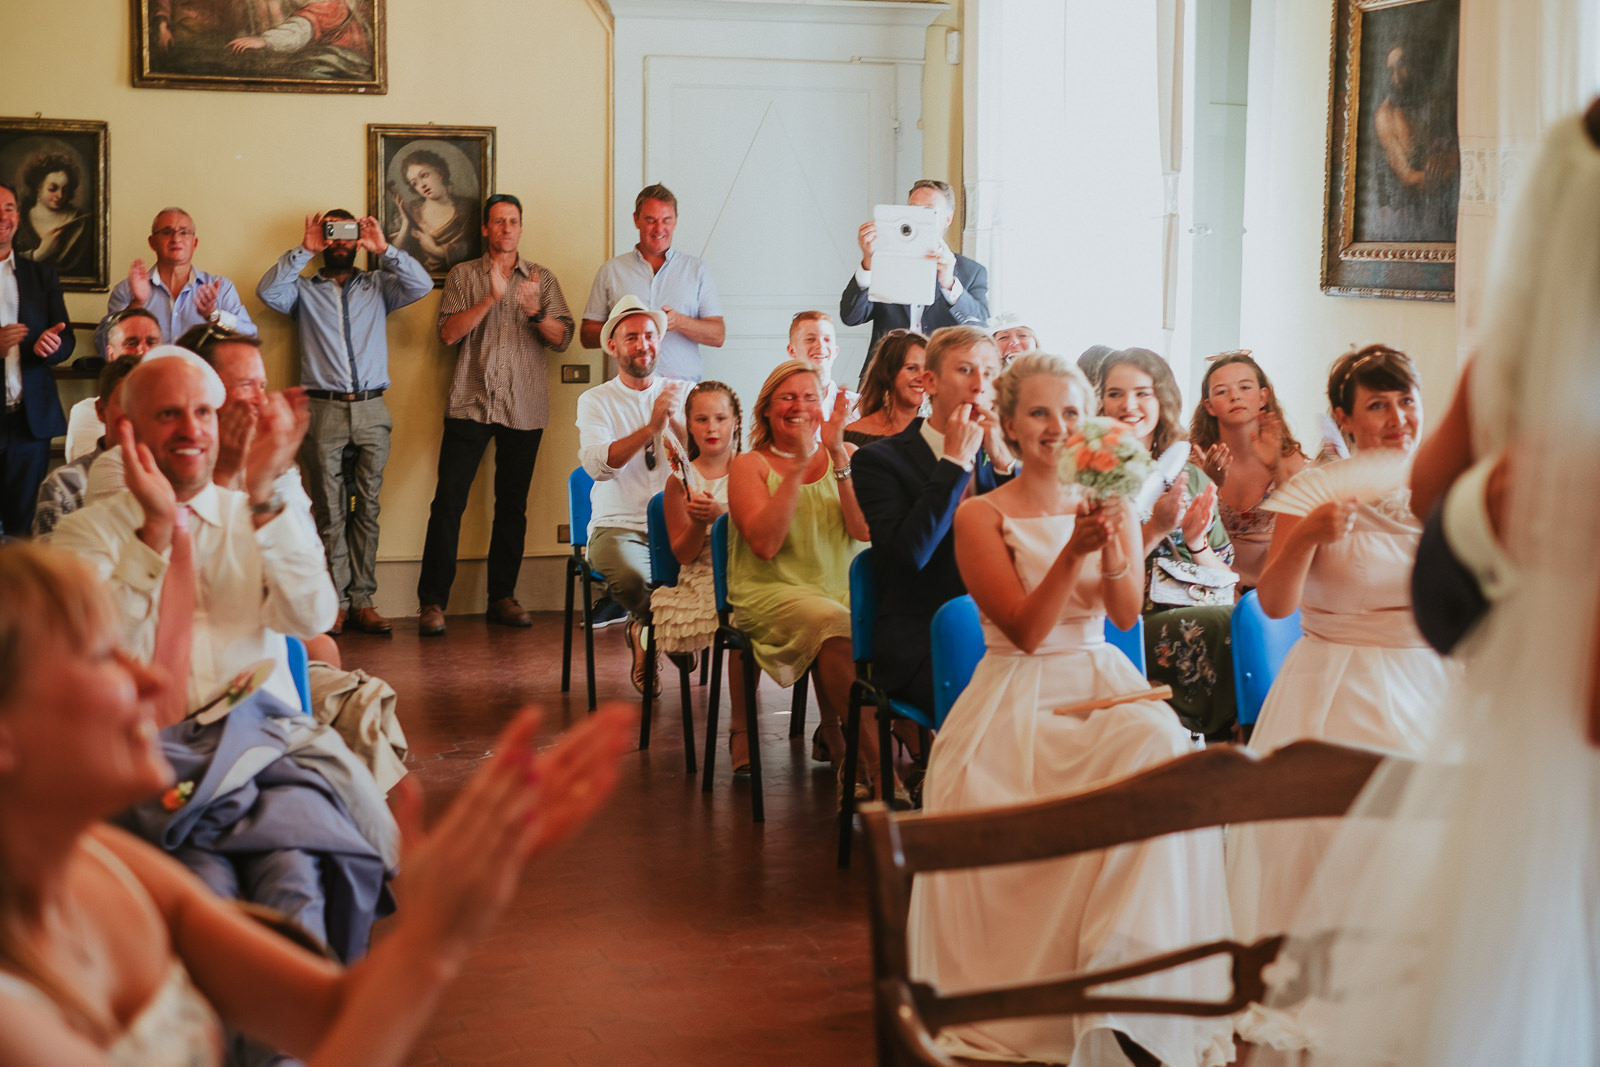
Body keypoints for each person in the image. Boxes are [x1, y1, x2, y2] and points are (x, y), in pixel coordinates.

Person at [0, 538, 634, 1067]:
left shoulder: (108, 864)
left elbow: (330, 1016)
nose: (151, 678)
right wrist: (430, 945)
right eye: (99, 657)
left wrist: (437, 923)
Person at [906, 352, 1234, 1067]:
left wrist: (1125, 536)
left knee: (1162, 751)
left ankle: (1124, 979)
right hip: (1018, 693)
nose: (1058, 427)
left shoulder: (1106, 490)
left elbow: (1119, 609)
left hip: (1098, 675)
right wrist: (1071, 550)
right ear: (1012, 425)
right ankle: (1039, 999)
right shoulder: (979, 515)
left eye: (1071, 413)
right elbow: (1023, 631)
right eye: (1041, 413)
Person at [1227, 345, 1455, 1042]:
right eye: (1379, 406)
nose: (1398, 419)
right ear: (1344, 420)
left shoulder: (1445, 485)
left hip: (1430, 675)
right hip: (1340, 680)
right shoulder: (1315, 491)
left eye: (1407, 400)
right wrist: (1306, 540)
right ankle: (1335, 980)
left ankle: (1426, 983)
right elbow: (1272, 601)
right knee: (1365, 823)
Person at [52, 352, 332, 713]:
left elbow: (312, 618)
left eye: (203, 413)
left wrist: (262, 494)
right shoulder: (87, 531)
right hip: (140, 747)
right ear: (128, 428)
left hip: (262, 743)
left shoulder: (255, 518)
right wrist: (154, 533)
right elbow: (85, 655)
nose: (191, 429)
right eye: (169, 413)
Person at [257, 208, 432, 636]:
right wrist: (304, 248)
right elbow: (267, 292)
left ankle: (364, 601)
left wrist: (385, 249)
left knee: (368, 508)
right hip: (323, 409)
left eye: (347, 234)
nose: (340, 242)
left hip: (373, 408)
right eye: (332, 234)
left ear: (358, 239)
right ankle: (331, 601)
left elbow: (422, 284)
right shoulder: (301, 291)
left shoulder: (378, 286)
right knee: (329, 511)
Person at [726, 359, 890, 798]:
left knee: (901, 621)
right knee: (833, 623)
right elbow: (764, 544)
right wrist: (798, 466)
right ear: (766, 409)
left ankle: (910, 754)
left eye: (810, 398)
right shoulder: (749, 465)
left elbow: (862, 531)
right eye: (788, 397)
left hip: (841, 585)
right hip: (774, 590)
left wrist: (836, 453)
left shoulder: (847, 456)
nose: (799, 406)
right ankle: (876, 771)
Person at [417, 194, 574, 636]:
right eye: (498, 222)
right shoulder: (464, 276)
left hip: (524, 408)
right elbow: (447, 335)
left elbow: (563, 338)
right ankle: (431, 603)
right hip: (470, 403)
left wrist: (535, 312)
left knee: (512, 508)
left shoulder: (541, 279)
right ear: (485, 229)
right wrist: (490, 299)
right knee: (448, 504)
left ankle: (501, 597)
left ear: (521, 228)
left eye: (513, 221)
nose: (506, 228)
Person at [853, 324, 1010, 720]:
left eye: (989, 373)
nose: (979, 386)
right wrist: (954, 464)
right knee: (999, 706)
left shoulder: (1005, 462)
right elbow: (909, 557)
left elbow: (1032, 548)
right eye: (965, 370)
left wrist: (1006, 466)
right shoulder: (880, 461)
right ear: (930, 382)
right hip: (924, 637)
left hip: (1007, 626)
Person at [1098, 347, 1237, 737]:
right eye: (1116, 394)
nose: (1129, 405)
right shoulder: (1088, 475)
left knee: (1241, 617)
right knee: (1219, 623)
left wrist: (1196, 543)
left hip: (1194, 603)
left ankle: (1244, 736)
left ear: (1162, 400)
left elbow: (1227, 584)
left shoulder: (1190, 477)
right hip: (1120, 619)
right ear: (1099, 401)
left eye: (1143, 393)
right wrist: (1156, 528)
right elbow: (1091, 575)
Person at [574, 297, 685, 694]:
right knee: (636, 579)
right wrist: (650, 427)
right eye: (632, 337)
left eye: (650, 336)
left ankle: (646, 630)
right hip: (618, 526)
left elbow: (712, 461)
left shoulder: (683, 393)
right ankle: (669, 633)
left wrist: (675, 423)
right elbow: (597, 467)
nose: (643, 345)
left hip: (679, 526)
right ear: (614, 347)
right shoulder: (595, 401)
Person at [840, 178, 989, 382]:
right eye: (913, 209)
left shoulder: (971, 272)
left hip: (943, 381)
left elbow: (980, 327)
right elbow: (850, 317)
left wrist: (949, 283)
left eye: (929, 211)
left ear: (947, 219)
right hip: (884, 380)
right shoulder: (882, 262)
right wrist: (868, 263)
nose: (918, 217)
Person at [581, 184, 724, 382]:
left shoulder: (697, 270)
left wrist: (679, 322)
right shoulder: (611, 270)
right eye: (651, 220)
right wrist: (624, 327)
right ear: (636, 220)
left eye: (666, 220)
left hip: (681, 391)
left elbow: (718, 336)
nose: (659, 229)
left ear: (675, 221)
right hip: (625, 393)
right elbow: (586, 337)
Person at [1189, 351, 1307, 590]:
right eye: (1222, 391)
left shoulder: (1289, 459)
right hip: (1212, 587)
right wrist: (1211, 483)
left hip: (1275, 590)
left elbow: (1305, 525)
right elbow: (1184, 535)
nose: (1235, 396)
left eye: (1245, 387)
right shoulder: (1197, 460)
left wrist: (1276, 469)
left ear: (1263, 396)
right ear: (1209, 406)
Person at [0, 180, 75, 536]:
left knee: (22, 530)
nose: (3, 216)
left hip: (30, 424)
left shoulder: (41, 275)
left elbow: (67, 339)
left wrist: (50, 347)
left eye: (10, 208)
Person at [648, 380, 740, 662]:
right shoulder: (679, 483)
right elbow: (684, 555)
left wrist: (721, 516)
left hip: (746, 571)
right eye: (702, 419)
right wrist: (700, 522)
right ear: (688, 424)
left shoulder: (750, 471)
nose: (712, 427)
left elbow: (763, 534)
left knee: (752, 617)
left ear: (735, 423)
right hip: (700, 578)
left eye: (720, 418)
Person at [97, 207, 255, 358]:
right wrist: (136, 305)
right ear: (152, 242)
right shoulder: (127, 289)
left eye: (184, 232)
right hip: (145, 379)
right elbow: (104, 348)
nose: (176, 238)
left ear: (195, 243)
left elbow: (250, 338)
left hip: (201, 381)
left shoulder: (221, 288)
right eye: (167, 232)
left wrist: (213, 315)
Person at [32, 356, 141, 538]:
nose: (136, 414)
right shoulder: (64, 487)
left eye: (146, 404)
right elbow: (52, 565)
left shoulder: (173, 475)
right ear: (100, 410)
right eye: (124, 403)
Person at [64, 308, 162, 463]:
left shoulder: (178, 409)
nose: (142, 350)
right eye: (131, 343)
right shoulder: (89, 411)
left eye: (151, 343)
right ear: (110, 354)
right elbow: (98, 473)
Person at [386, 150, 479, 275]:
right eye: (415, 183)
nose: (422, 185)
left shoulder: (469, 208)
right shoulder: (411, 211)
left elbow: (472, 250)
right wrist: (406, 223)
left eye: (424, 175)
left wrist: (437, 251)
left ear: (439, 173)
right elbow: (392, 254)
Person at [842, 329, 926, 447]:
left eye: (928, 369)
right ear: (888, 373)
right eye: (911, 368)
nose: (922, 377)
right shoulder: (854, 434)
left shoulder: (939, 433)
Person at [15, 150, 90, 276]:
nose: (60, 195)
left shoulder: (82, 222)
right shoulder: (18, 219)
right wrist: (40, 253)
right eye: (52, 189)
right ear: (39, 187)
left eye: (65, 190)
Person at [786, 311, 856, 422]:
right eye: (810, 339)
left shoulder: (856, 405)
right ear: (792, 350)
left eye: (827, 339)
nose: (820, 345)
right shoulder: (782, 405)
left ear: (836, 351)